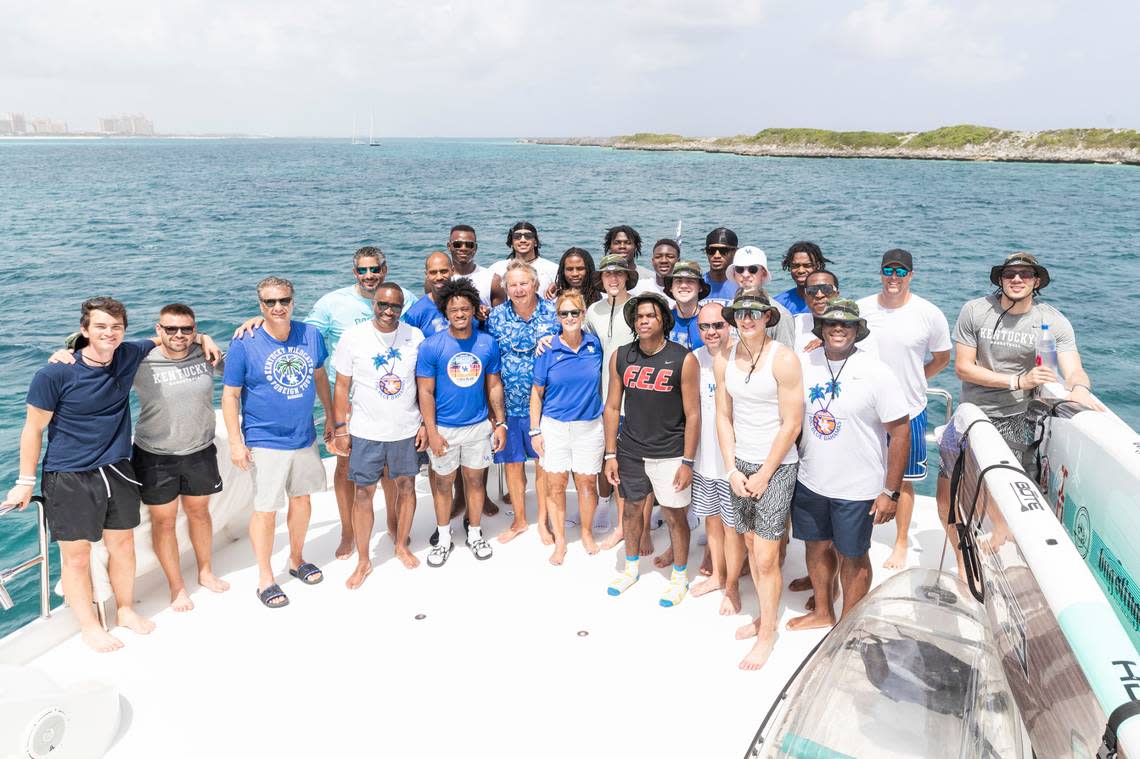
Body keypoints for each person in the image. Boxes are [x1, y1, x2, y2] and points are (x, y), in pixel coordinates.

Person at [4, 297, 217, 650]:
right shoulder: (55, 372)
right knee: (76, 557)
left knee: (123, 545)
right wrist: (24, 482)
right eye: (100, 326)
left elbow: (170, 336)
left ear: (124, 331)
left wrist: (204, 337)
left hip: (118, 469)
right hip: (69, 475)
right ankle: (88, 626)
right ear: (84, 330)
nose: (109, 333)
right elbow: (33, 429)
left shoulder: (128, 354)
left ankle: (125, 609)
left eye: (116, 327)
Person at [938, 252, 1101, 574]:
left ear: (1036, 281)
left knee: (1007, 492)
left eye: (1025, 275)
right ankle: (960, 559)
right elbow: (963, 368)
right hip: (970, 413)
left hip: (1017, 417)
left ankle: (1002, 539)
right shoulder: (975, 310)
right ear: (1000, 279)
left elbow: (1074, 371)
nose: (1016, 279)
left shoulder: (1053, 321)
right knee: (947, 492)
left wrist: (1079, 389)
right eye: (1010, 274)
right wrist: (1017, 380)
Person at [787, 298, 909, 630]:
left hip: (858, 488)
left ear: (857, 330)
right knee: (815, 547)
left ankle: (848, 624)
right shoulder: (804, 362)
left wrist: (891, 492)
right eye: (831, 324)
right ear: (821, 328)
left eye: (847, 324)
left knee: (854, 557)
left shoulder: (877, 372)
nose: (838, 329)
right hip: (810, 480)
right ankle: (824, 610)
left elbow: (900, 433)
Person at [222, 277, 333, 608]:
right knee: (266, 509)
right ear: (260, 306)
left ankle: (297, 560)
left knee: (302, 500)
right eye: (270, 303)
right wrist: (235, 442)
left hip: (304, 435)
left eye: (283, 300)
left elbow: (319, 376)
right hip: (265, 438)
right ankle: (266, 577)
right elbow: (230, 395)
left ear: (293, 301)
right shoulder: (245, 342)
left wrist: (331, 416)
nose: (277, 307)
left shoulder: (310, 335)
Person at [303, 246, 415, 562]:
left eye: (375, 269)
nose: (369, 275)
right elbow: (303, 334)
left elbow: (428, 323)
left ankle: (395, 526)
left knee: (393, 470)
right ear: (355, 273)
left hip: (392, 400)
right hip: (350, 402)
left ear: (385, 269)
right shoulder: (332, 302)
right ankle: (348, 530)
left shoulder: (402, 297)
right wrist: (260, 319)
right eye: (363, 270)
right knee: (345, 467)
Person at [714, 289, 804, 669]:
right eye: (740, 312)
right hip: (741, 466)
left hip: (776, 466)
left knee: (766, 556)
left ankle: (768, 634)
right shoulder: (724, 358)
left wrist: (765, 473)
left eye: (755, 312)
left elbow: (792, 423)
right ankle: (765, 616)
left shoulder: (784, 360)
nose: (747, 319)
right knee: (750, 543)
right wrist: (732, 469)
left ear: (768, 317)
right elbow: (723, 416)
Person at [856, 250, 951, 570]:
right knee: (863, 475)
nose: (893, 276)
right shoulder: (862, 307)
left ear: (910, 275)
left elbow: (941, 358)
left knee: (904, 480)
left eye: (900, 271)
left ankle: (900, 542)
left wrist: (916, 379)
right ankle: (860, 537)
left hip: (908, 409)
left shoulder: (929, 313)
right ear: (880, 272)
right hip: (865, 408)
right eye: (888, 270)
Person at [604, 292, 700, 607]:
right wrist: (610, 454)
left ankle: (680, 576)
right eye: (639, 316)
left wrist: (687, 461)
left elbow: (694, 413)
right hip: (630, 449)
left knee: (674, 515)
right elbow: (612, 406)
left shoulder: (683, 358)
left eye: (651, 316)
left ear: (664, 321)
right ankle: (631, 569)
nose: (643, 321)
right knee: (631, 509)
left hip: (670, 451)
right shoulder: (620, 355)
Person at [131, 304, 228, 612]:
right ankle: (176, 587)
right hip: (155, 456)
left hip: (200, 450)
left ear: (194, 330)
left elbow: (238, 369)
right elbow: (93, 349)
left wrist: (207, 339)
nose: (179, 335)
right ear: (158, 330)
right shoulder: (141, 361)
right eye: (170, 329)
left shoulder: (206, 354)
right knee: (164, 522)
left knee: (200, 513)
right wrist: (63, 355)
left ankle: (205, 571)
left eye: (186, 329)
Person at [330, 283, 426, 587]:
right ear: (374, 304)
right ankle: (363, 559)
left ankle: (400, 544)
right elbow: (342, 385)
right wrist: (341, 428)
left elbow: (423, 384)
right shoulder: (353, 337)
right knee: (363, 492)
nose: (388, 311)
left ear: (402, 308)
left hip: (406, 428)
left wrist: (424, 423)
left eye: (395, 306)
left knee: (406, 486)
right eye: (383, 305)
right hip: (365, 430)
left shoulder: (415, 336)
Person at [415, 277, 507, 567]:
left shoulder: (487, 343)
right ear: (445, 312)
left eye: (465, 308)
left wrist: (500, 422)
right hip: (443, 428)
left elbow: (493, 385)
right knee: (442, 486)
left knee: (476, 482)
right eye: (454, 310)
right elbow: (425, 391)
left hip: (478, 426)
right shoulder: (431, 346)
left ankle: (475, 532)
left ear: (473, 309)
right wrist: (431, 430)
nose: (460, 314)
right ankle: (444, 538)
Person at [485, 260, 561, 544]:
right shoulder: (495, 318)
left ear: (536, 285)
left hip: (546, 406)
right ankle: (519, 520)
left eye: (524, 283)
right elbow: (490, 365)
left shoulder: (553, 315)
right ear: (506, 287)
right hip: (509, 405)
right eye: (513, 284)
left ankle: (542, 521)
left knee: (543, 464)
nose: (518, 289)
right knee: (514, 466)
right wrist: (495, 415)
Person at [530, 290, 605, 562]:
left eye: (575, 312)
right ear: (557, 317)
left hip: (589, 426)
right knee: (556, 485)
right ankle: (561, 541)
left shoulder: (595, 345)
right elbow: (536, 393)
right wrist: (535, 430)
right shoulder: (548, 348)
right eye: (564, 313)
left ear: (583, 315)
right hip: (554, 427)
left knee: (587, 483)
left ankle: (586, 533)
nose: (570, 317)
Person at [686, 303, 738, 605]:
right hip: (705, 461)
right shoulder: (694, 359)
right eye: (705, 327)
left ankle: (731, 585)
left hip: (732, 464)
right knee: (713, 523)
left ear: (728, 325)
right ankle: (718, 575)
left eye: (717, 325)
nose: (711, 332)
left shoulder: (742, 358)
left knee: (733, 528)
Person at [584, 254, 638, 543]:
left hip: (637, 399)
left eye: (619, 273)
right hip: (605, 399)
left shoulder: (639, 306)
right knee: (609, 459)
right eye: (608, 275)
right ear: (601, 279)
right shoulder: (593, 310)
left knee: (632, 467)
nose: (613, 279)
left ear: (627, 275)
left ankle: (628, 525)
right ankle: (613, 516)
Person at [728, 245, 795, 347]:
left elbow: (786, 356)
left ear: (763, 273)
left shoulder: (782, 315)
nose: (745, 274)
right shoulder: (727, 309)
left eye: (753, 269)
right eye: (740, 269)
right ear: (734, 273)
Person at [489, 221, 559, 304]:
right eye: (517, 236)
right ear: (511, 242)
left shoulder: (552, 269)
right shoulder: (496, 269)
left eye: (528, 236)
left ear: (536, 242)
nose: (523, 240)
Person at [402, 252, 464, 338]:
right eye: (433, 272)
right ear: (426, 275)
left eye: (444, 271)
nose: (439, 277)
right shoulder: (415, 313)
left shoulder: (468, 302)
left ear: (452, 271)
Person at [448, 224, 501, 310]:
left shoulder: (493, 280)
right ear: (449, 247)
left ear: (475, 248)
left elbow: (501, 318)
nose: (463, 248)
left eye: (469, 245)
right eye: (457, 244)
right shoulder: (438, 279)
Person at [774, 241, 830, 315]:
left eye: (807, 265)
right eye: (795, 266)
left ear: (818, 266)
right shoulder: (778, 304)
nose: (801, 270)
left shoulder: (831, 302)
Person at [792, 270, 841, 352]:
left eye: (826, 289)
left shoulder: (852, 326)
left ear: (837, 294)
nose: (819, 295)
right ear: (805, 296)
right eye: (812, 290)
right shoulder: (794, 324)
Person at [664, 260, 709, 350]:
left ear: (700, 287)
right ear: (671, 288)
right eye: (678, 281)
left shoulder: (711, 319)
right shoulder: (664, 319)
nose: (683, 285)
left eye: (690, 281)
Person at [604, 225, 655, 293]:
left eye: (628, 243)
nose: (622, 246)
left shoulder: (650, 278)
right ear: (610, 247)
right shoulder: (601, 279)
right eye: (617, 243)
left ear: (635, 247)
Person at [702, 227, 740, 305]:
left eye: (723, 251)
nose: (717, 255)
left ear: (735, 252)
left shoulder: (743, 285)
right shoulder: (696, 285)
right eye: (711, 251)